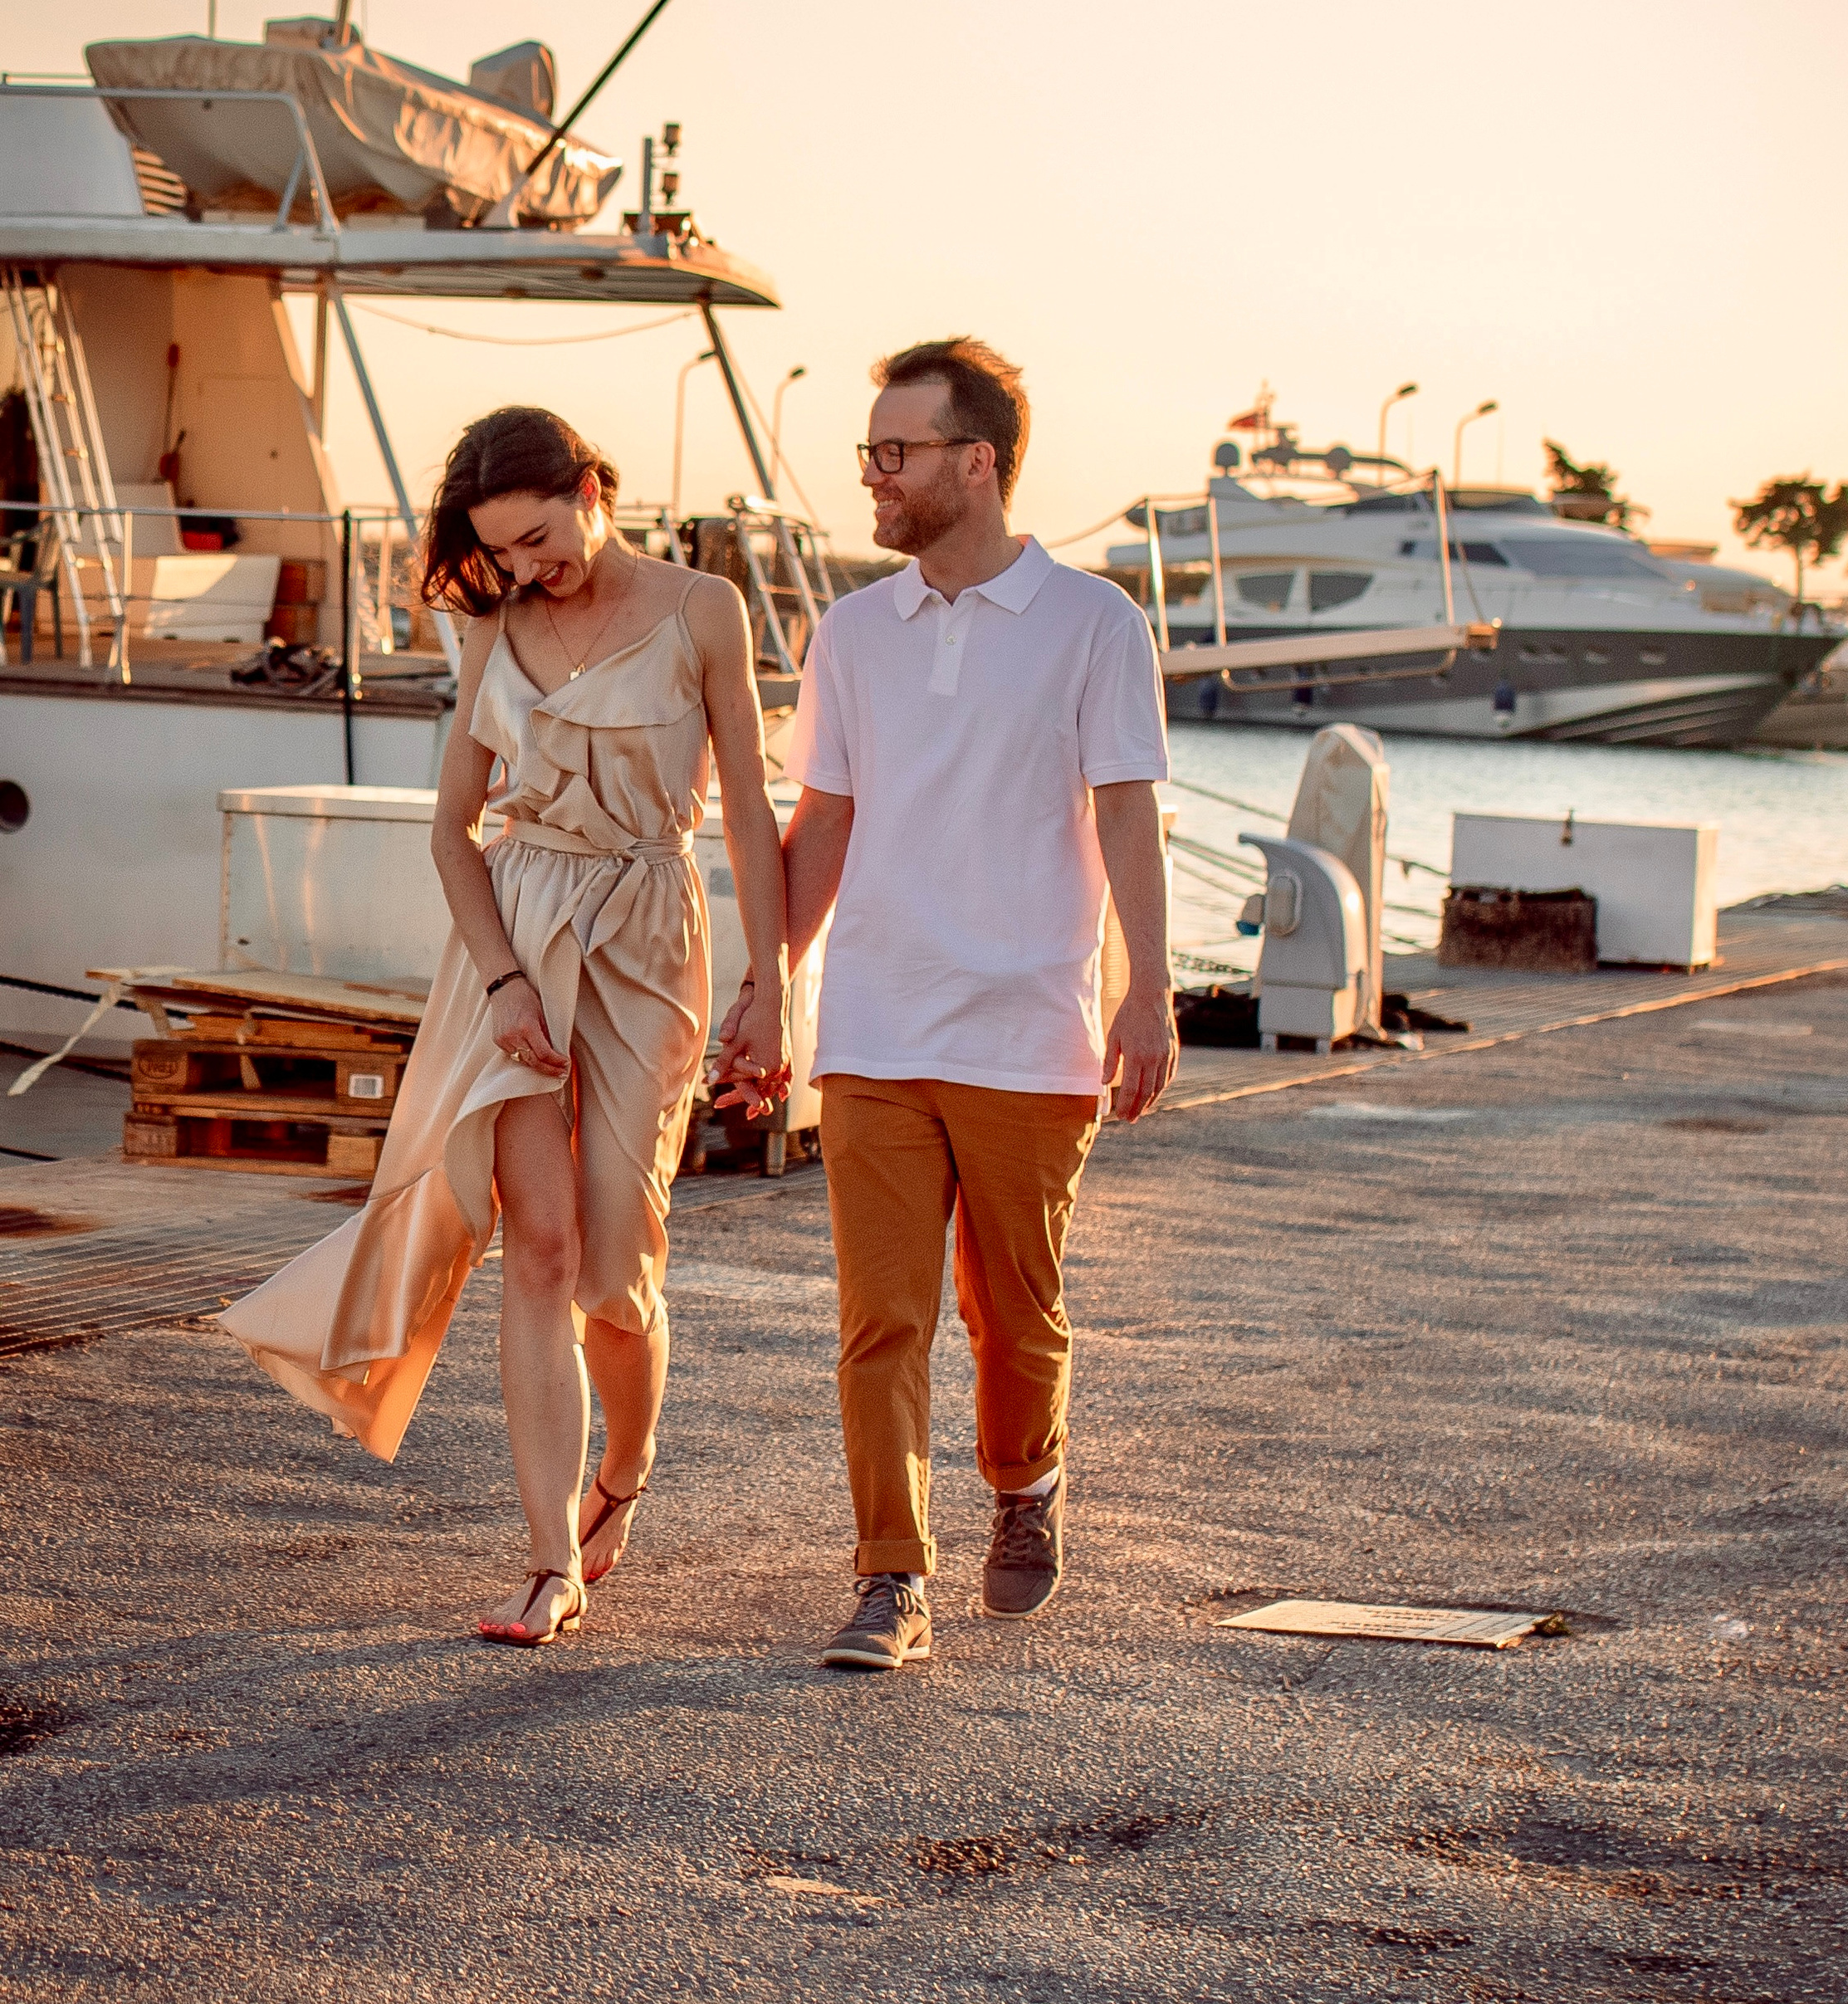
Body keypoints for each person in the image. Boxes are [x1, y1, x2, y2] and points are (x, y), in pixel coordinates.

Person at [221, 406, 791, 1648]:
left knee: (615, 1271)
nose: (531, 567)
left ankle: (623, 1478)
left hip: (649, 932)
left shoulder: (705, 611)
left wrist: (775, 981)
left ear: (593, 485)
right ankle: (548, 1562)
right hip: (521, 930)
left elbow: (747, 809)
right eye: (507, 550)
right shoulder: (495, 624)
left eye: (540, 536)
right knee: (532, 1248)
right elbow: (450, 833)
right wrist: (501, 982)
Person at [723, 337, 1174, 1670]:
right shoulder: (851, 632)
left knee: (1012, 1312)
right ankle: (889, 1576)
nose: (872, 472)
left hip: (1029, 1031)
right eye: (871, 449)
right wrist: (769, 986)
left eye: (895, 450)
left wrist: (1146, 986)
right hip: (874, 1028)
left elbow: (1129, 812)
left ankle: (1025, 1483)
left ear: (976, 465)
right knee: (883, 1319)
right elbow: (825, 823)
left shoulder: (1096, 625)